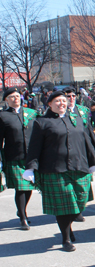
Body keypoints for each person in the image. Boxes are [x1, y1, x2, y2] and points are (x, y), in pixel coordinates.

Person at [23, 91, 95, 251]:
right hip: (55, 170)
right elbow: (34, 148)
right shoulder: (42, 122)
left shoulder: (76, 119)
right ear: (49, 104)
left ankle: (67, 226)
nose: (62, 103)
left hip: (79, 167)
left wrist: (93, 161)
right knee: (64, 206)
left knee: (80, 202)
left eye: (64, 100)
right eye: (57, 101)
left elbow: (86, 141)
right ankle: (65, 239)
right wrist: (30, 168)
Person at [0, 87, 40, 230]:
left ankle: (21, 210)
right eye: (11, 97)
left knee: (28, 187)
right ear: (6, 100)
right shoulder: (3, 116)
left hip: (31, 157)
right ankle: (23, 217)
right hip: (14, 157)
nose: (15, 98)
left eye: (17, 96)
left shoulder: (31, 113)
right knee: (20, 188)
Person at [63, 86, 95, 222]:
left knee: (84, 181)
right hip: (69, 150)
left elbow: (89, 130)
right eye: (68, 96)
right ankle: (74, 210)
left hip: (84, 148)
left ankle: (79, 207)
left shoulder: (82, 110)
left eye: (73, 96)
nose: (71, 99)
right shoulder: (59, 111)